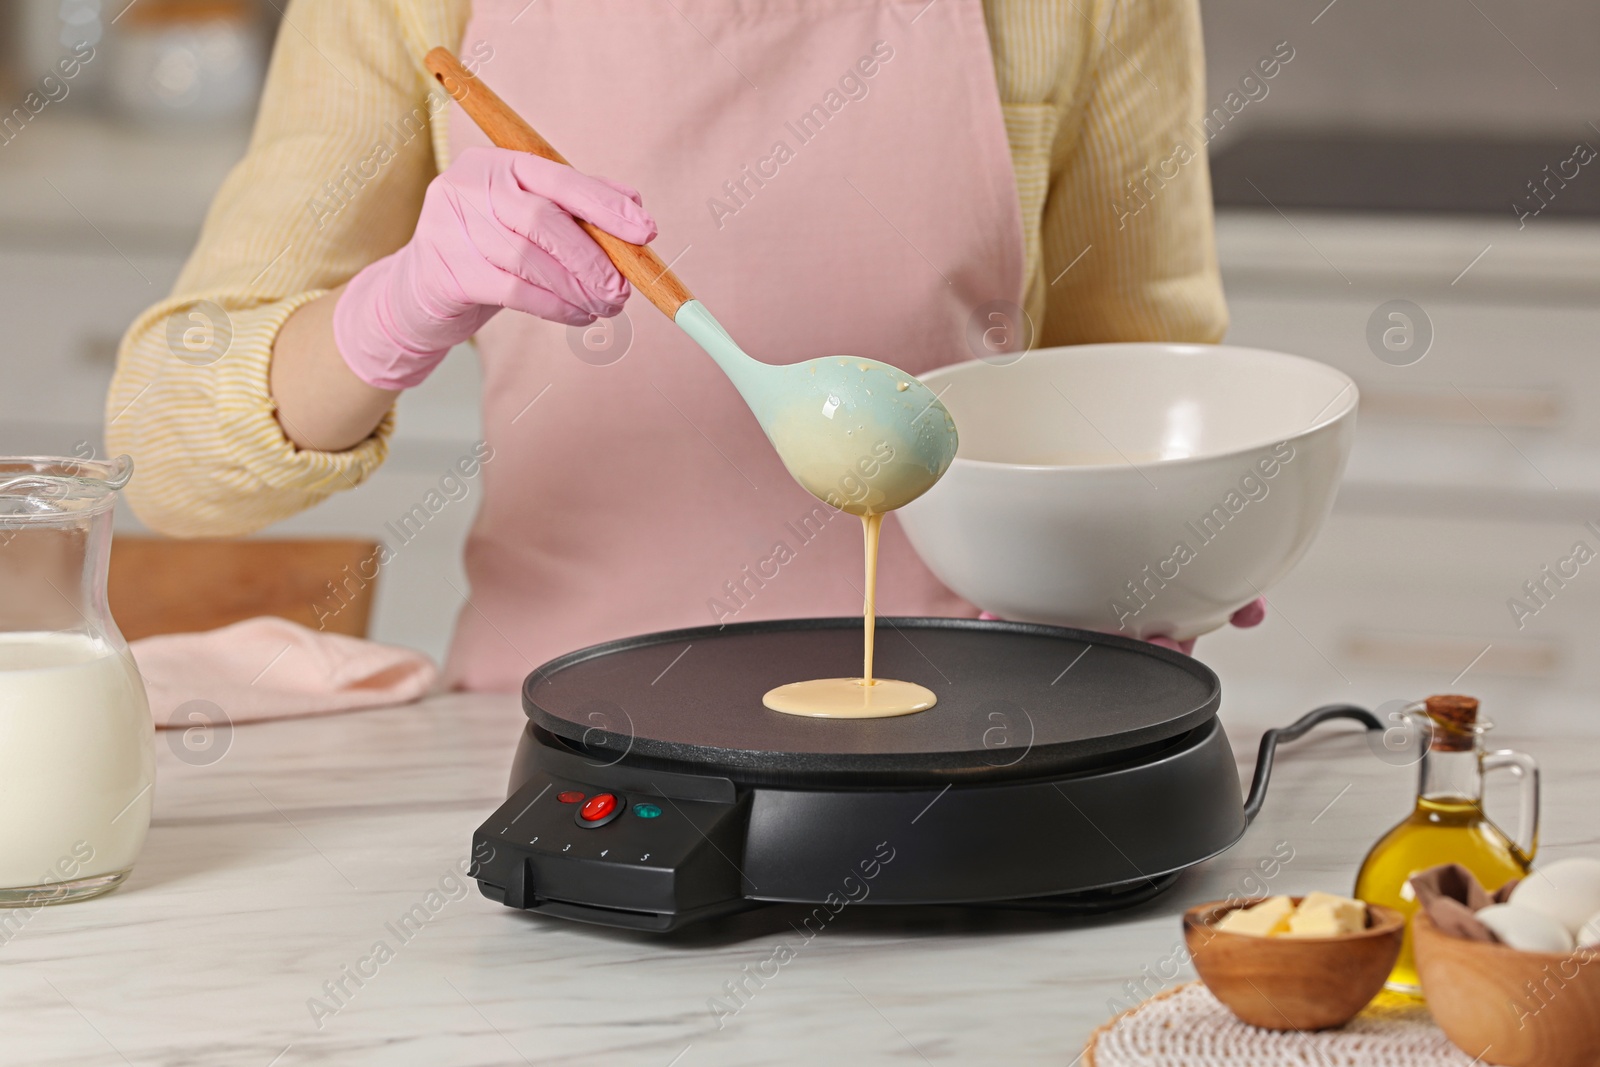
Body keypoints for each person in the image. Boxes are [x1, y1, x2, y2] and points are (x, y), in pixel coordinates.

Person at [108, 0, 1253, 691]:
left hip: (971, 733)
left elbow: (1140, 373)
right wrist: (397, 305)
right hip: (555, 747)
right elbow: (163, 454)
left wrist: (1164, 540)